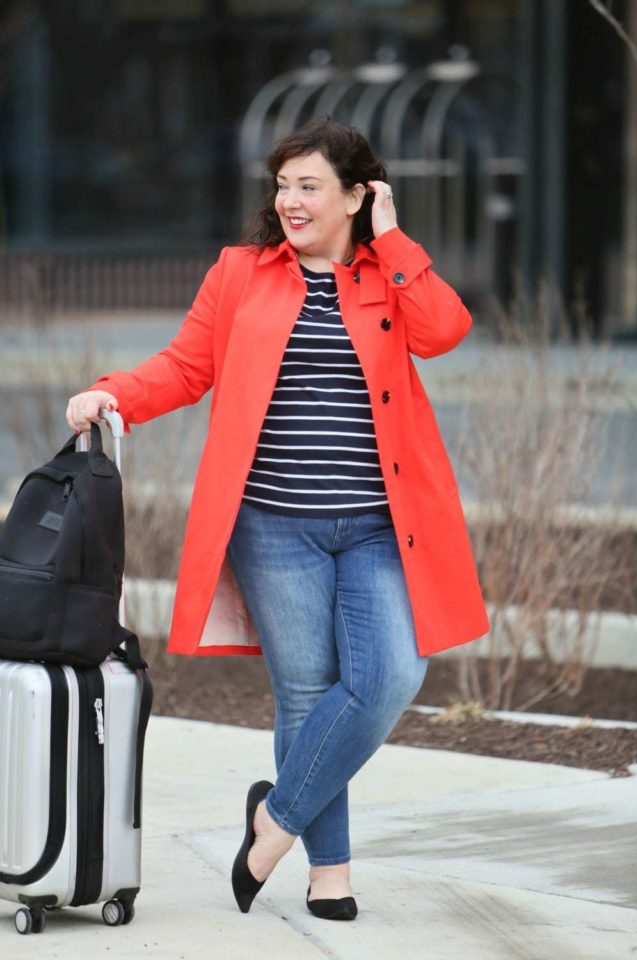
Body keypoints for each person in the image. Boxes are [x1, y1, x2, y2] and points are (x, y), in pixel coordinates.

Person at [66, 118, 490, 921]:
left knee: (391, 676)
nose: (289, 202)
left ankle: (272, 824)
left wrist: (394, 243)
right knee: (305, 695)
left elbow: (447, 330)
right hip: (274, 524)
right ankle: (330, 870)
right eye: (282, 185)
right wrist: (116, 391)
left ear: (357, 196)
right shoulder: (241, 273)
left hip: (374, 525)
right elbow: (188, 366)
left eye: (310, 187)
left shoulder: (387, 275)